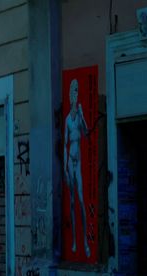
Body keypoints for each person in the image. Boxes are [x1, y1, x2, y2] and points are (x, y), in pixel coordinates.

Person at [63, 78, 91, 258]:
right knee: (72, 202)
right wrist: (65, 166)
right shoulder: (66, 120)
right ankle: (74, 241)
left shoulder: (78, 117)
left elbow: (87, 134)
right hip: (70, 162)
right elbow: (65, 143)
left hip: (78, 162)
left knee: (81, 200)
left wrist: (82, 114)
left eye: (77, 91)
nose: (75, 94)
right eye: (72, 91)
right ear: (69, 95)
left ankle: (86, 242)